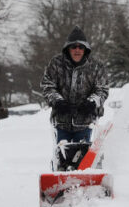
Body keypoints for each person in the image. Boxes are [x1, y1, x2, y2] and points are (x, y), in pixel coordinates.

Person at [41, 26, 109, 167]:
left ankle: (82, 184)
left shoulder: (96, 67)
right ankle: (60, 182)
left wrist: (91, 103)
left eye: (80, 47)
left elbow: (102, 89)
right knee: (62, 157)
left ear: (85, 49)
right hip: (61, 122)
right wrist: (58, 101)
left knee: (82, 160)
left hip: (85, 122)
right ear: (68, 48)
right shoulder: (56, 64)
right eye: (73, 47)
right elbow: (47, 86)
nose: (77, 50)